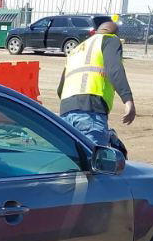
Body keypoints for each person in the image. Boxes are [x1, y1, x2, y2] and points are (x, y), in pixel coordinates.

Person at [56, 19, 136, 148]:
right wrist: (128, 100)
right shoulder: (109, 39)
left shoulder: (77, 49)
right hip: (90, 110)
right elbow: (114, 69)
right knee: (95, 160)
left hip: (66, 111)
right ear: (114, 34)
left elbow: (60, 89)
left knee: (73, 160)